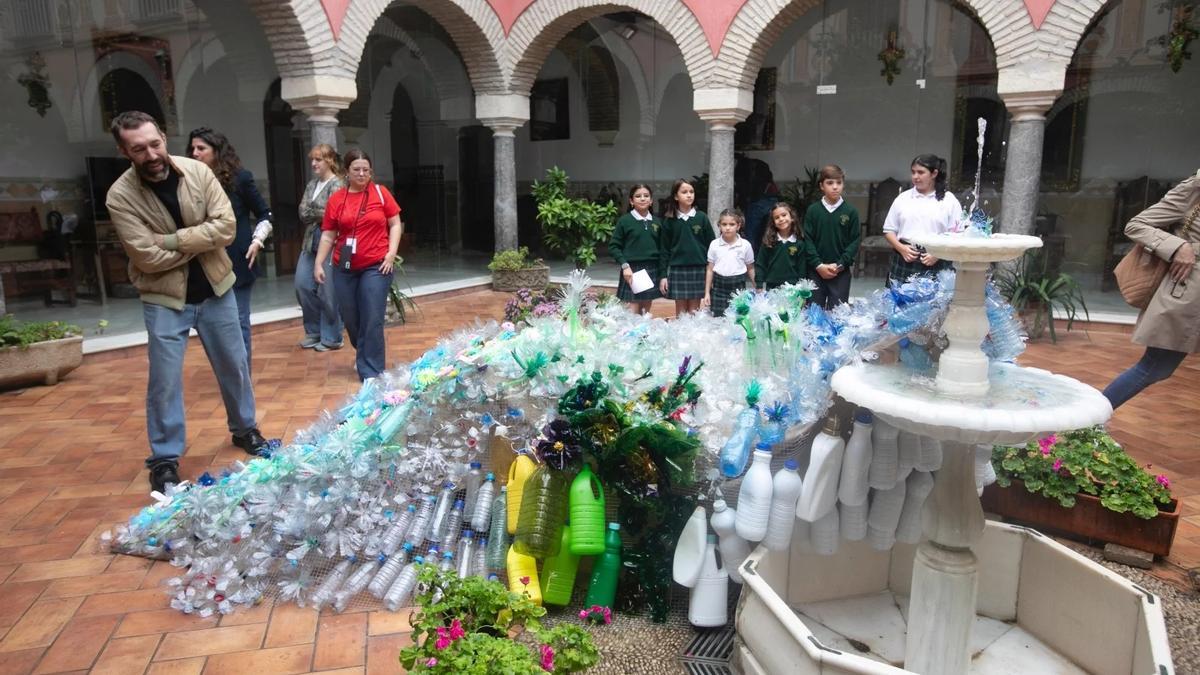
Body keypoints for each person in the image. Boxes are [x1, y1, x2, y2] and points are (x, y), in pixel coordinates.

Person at [105, 111, 270, 493]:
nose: (151, 154)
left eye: (155, 143)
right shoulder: (121, 195)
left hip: (216, 288)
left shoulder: (198, 173)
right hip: (164, 297)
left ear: (163, 137)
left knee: (235, 365)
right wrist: (199, 239)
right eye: (138, 149)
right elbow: (145, 256)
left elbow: (227, 228)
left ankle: (245, 429)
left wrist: (170, 240)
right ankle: (164, 457)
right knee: (163, 381)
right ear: (124, 151)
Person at [1101, 171, 1199, 410]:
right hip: (1190, 297)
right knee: (1155, 368)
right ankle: (1087, 422)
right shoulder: (1195, 188)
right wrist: (1178, 247)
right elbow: (1136, 225)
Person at [186, 127, 272, 368]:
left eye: (201, 148)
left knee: (239, 319)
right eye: (192, 148)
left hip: (239, 259)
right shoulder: (189, 182)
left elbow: (265, 213)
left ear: (217, 151)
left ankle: (241, 374)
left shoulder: (240, 179)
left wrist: (257, 241)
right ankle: (228, 368)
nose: (195, 153)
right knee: (215, 322)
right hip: (205, 263)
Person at [314, 149, 402, 381]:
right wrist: (318, 263)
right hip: (344, 267)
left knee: (372, 316)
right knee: (351, 318)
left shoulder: (381, 194)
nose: (362, 174)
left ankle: (371, 374)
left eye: (366, 170)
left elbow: (395, 224)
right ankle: (363, 351)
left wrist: (391, 254)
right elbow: (328, 235)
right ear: (346, 172)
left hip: (376, 266)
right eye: (357, 170)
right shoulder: (337, 199)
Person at [294, 144, 345, 351]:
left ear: (329, 161)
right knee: (302, 285)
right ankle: (313, 331)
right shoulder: (311, 185)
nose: (314, 164)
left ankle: (332, 336)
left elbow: (334, 215)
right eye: (312, 160)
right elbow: (302, 212)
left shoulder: (338, 184)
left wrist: (316, 212)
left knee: (328, 290)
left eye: (318, 160)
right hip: (310, 240)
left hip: (331, 241)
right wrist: (319, 212)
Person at [882, 154, 961, 286]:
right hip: (905, 258)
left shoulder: (949, 200)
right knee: (898, 304)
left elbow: (957, 234)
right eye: (913, 172)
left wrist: (938, 254)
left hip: (937, 260)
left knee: (935, 305)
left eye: (920, 172)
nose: (915, 177)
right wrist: (901, 248)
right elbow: (889, 230)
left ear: (934, 173)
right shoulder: (903, 198)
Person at [805, 165, 862, 308]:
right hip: (816, 272)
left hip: (840, 273)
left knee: (837, 315)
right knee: (813, 314)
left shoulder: (851, 212)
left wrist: (840, 265)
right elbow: (808, 239)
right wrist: (818, 265)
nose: (835, 187)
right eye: (830, 183)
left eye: (839, 183)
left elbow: (855, 241)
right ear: (821, 186)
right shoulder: (813, 211)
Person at [658, 178, 714, 315]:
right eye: (684, 192)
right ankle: (681, 336)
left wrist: (712, 273)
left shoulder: (702, 218)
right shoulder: (669, 220)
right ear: (676, 196)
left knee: (694, 311)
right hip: (678, 269)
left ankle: (692, 336)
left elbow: (712, 246)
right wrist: (663, 275)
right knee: (681, 313)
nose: (689, 195)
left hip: (698, 268)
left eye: (691, 192)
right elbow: (664, 250)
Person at [609, 183, 661, 315]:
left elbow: (663, 248)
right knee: (632, 311)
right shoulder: (625, 221)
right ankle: (631, 335)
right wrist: (624, 265)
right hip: (631, 270)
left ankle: (644, 335)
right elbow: (614, 246)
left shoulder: (657, 222)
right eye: (638, 196)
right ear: (631, 201)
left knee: (646, 313)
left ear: (651, 201)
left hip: (652, 268)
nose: (642, 198)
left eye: (646, 196)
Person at [756, 202, 820, 291]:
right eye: (777, 218)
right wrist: (759, 285)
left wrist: (802, 289)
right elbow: (761, 264)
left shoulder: (799, 243)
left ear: (792, 217)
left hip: (793, 289)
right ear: (773, 222)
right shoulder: (768, 242)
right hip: (772, 288)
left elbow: (802, 269)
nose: (781, 219)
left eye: (784, 215)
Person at [703, 209, 755, 317]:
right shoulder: (714, 244)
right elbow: (709, 269)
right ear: (719, 226)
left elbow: (750, 268)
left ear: (738, 226)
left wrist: (757, 286)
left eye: (732, 224)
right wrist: (707, 293)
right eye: (724, 224)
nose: (727, 227)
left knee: (739, 318)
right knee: (718, 318)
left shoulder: (745, 245)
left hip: (738, 286)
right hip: (719, 287)